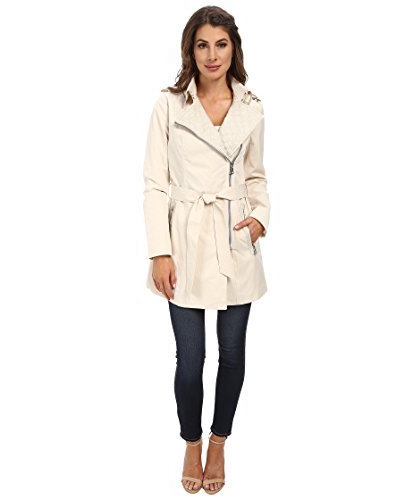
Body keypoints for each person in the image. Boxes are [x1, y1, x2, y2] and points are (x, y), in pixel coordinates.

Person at [142, 6, 271, 494]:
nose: (212, 55)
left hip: (236, 236)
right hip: (185, 239)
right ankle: (191, 441)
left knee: (233, 354)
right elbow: (155, 182)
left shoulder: (251, 107)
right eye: (202, 45)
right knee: (190, 357)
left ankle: (219, 441)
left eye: (221, 44)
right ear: (190, 50)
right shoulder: (169, 104)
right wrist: (160, 251)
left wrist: (260, 219)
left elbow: (256, 175)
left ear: (233, 48)